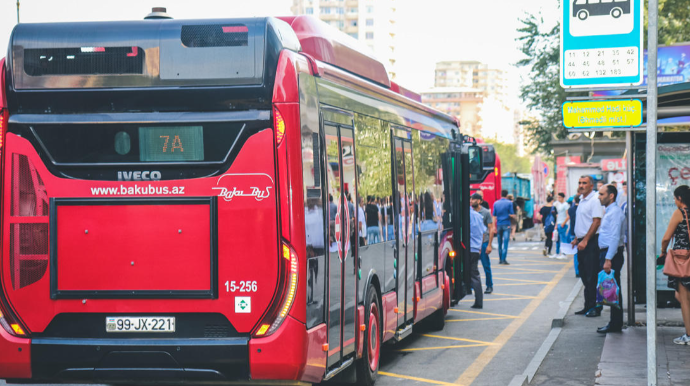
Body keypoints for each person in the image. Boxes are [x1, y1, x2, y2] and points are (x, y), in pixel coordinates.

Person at [660, 185, 690, 344]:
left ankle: (689, 336)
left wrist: (663, 250)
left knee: (683, 298)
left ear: (680, 198)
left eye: (675, 198)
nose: (675, 201)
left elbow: (666, 238)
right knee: (680, 295)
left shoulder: (680, 213)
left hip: (683, 260)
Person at [571, 175, 603, 317]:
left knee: (592, 276)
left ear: (591, 186)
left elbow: (596, 222)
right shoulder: (582, 200)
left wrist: (585, 241)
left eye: (584, 183)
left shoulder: (595, 200)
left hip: (591, 242)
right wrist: (577, 238)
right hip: (582, 241)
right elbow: (584, 222)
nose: (581, 185)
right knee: (584, 275)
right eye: (579, 182)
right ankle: (587, 306)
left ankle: (595, 307)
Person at [596, 184, 625, 334]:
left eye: (601, 194)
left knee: (614, 288)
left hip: (611, 254)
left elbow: (614, 237)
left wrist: (608, 259)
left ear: (611, 195)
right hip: (608, 253)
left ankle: (615, 323)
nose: (599, 197)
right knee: (612, 288)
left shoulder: (615, 213)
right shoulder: (610, 211)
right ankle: (614, 322)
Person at [471, 192, 494, 294]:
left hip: (483, 243)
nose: (472, 201)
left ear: (480, 201)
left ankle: (489, 286)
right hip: (473, 243)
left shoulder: (485, 213)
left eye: (475, 199)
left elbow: (491, 229)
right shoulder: (470, 212)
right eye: (471, 199)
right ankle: (471, 286)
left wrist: (489, 245)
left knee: (486, 266)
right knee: (472, 266)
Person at [469, 202, 487, 309]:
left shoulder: (466, 216)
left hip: (468, 249)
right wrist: (479, 246)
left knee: (472, 274)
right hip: (476, 249)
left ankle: (478, 301)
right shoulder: (478, 216)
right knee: (475, 274)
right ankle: (478, 300)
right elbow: (483, 232)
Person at [493, 189, 516, 265]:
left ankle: (500, 259)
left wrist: (494, 226)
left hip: (499, 224)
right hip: (507, 224)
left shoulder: (496, 203)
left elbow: (494, 216)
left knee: (499, 243)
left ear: (501, 194)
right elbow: (512, 214)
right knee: (505, 243)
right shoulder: (509, 203)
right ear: (506, 195)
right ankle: (503, 259)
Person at [564, 195, 581, 277]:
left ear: (574, 200)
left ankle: (577, 271)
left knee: (575, 253)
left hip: (572, 233)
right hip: (581, 233)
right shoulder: (582, 209)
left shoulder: (571, 210)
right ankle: (582, 270)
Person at [554, 192, 571, 259]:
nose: (558, 198)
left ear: (563, 197)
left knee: (563, 239)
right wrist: (556, 224)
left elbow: (568, 216)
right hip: (558, 223)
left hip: (562, 224)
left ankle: (564, 254)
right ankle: (557, 253)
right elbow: (557, 216)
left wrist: (563, 223)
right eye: (557, 197)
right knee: (557, 239)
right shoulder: (558, 204)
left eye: (559, 197)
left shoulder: (566, 205)